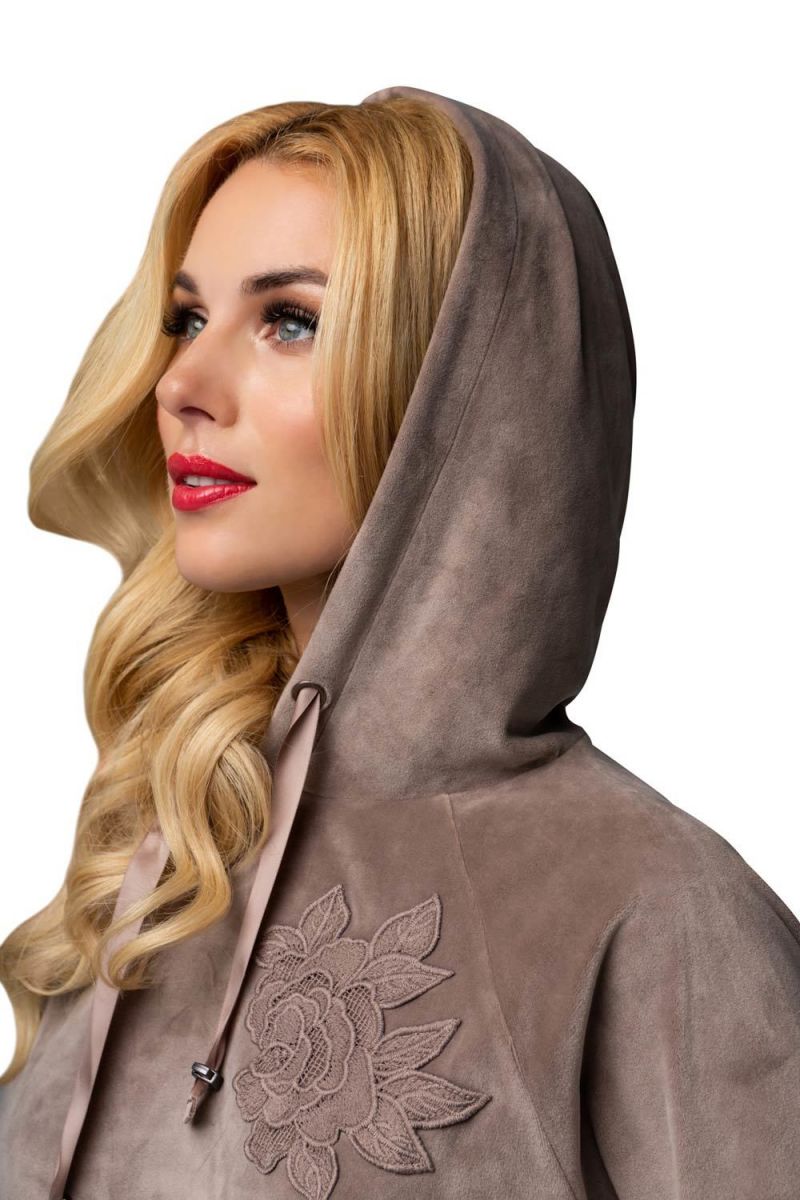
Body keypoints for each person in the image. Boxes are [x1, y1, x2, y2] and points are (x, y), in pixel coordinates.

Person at [1, 83, 798, 1200]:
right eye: (186, 319)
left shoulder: (657, 912)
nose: (179, 384)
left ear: (463, 387)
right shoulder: (182, 832)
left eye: (290, 321)